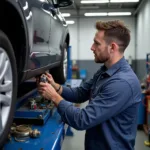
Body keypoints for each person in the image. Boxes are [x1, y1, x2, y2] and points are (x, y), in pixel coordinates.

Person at [37, 20, 141, 150]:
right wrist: (55, 86)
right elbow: (81, 93)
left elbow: (82, 120)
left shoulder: (122, 83)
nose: (92, 47)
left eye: (97, 43)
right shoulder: (104, 71)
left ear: (112, 47)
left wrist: (54, 97)